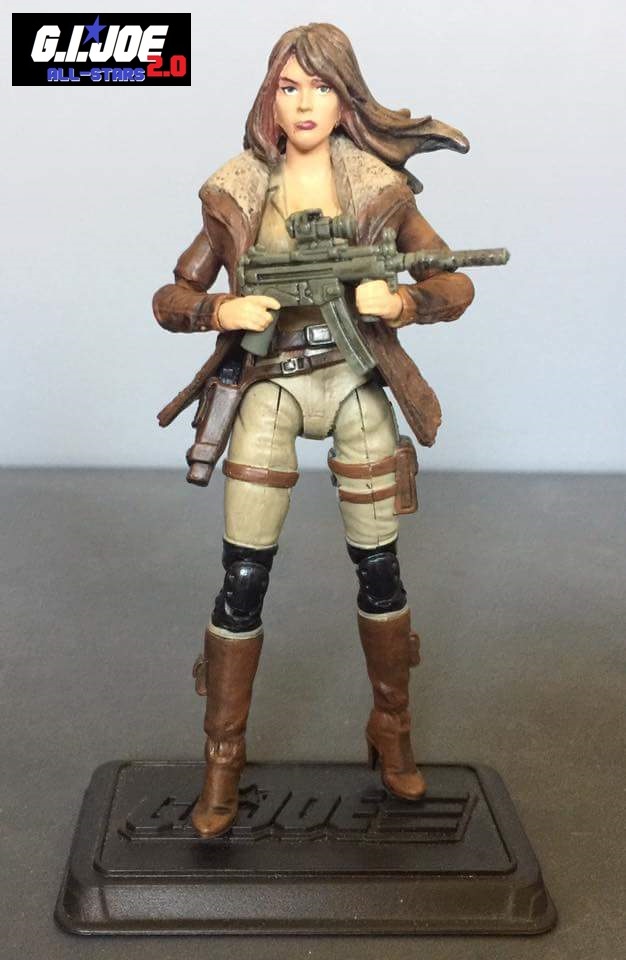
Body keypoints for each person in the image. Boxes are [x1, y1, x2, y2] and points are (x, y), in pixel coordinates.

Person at [153, 23, 475, 839]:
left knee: (380, 571)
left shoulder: (376, 187)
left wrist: (403, 301)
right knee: (244, 577)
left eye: (321, 87)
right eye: (289, 87)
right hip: (270, 386)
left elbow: (453, 280)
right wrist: (220, 310)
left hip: (355, 381)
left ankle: (392, 727)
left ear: (345, 97)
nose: (304, 103)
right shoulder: (239, 187)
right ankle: (222, 754)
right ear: (270, 97)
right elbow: (171, 296)